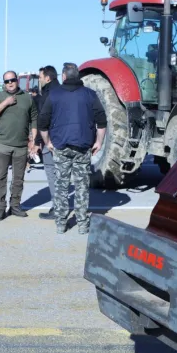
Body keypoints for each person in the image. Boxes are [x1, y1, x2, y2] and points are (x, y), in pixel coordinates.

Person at [38, 63, 107, 234]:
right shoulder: (90, 95)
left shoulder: (54, 95)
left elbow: (42, 122)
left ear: (64, 76)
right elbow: (102, 120)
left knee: (61, 185)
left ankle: (61, 224)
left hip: (61, 146)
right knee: (82, 186)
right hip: (83, 147)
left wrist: (48, 142)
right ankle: (82, 224)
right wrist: (99, 141)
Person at [0, 70, 38, 221]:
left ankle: (15, 206)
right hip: (2, 145)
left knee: (18, 179)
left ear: (16, 80)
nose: (10, 83)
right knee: (0, 177)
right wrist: (6, 102)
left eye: (12, 80)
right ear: (4, 83)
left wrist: (33, 139)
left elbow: (34, 118)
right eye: (7, 81)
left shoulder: (27, 98)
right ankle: (0, 208)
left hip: (21, 146)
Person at [33, 65, 61, 221]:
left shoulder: (47, 95)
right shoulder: (64, 92)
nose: (39, 79)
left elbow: (42, 120)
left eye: (40, 77)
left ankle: (57, 208)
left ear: (48, 78)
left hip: (51, 140)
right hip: (67, 140)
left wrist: (38, 142)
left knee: (52, 174)